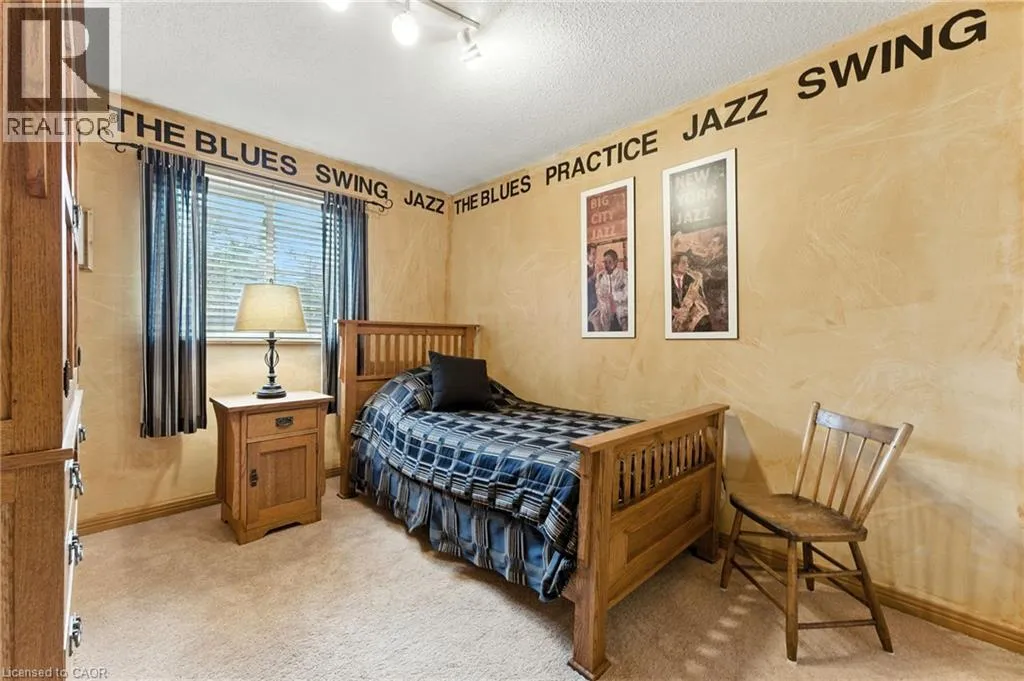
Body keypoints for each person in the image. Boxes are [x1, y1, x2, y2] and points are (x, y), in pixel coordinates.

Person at [670, 251, 711, 333]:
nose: (687, 265)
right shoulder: (666, 280)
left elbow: (700, 301)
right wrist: (672, 311)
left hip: (687, 318)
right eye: (684, 263)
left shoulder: (691, 280)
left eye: (687, 263)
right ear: (675, 266)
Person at [590, 249, 628, 332]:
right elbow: (598, 292)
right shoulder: (600, 276)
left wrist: (614, 296)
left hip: (621, 309)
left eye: (609, 262)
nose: (606, 265)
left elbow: (627, 294)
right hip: (605, 310)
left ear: (616, 261)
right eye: (605, 262)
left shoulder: (624, 275)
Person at [586, 244, 597, 331]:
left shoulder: (594, 266)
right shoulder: (583, 267)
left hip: (594, 296)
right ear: (587, 255)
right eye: (593, 254)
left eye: (595, 254)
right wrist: (593, 277)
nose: (595, 256)